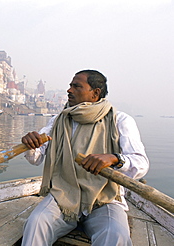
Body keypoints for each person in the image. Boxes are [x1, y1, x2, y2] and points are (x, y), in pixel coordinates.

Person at [21, 70, 149, 246]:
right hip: (63, 194)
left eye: (76, 86)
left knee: (115, 234)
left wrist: (114, 158)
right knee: (36, 224)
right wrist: (31, 145)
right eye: (70, 86)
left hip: (104, 199)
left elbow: (141, 163)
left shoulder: (120, 120)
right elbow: (36, 158)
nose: (69, 90)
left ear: (95, 93)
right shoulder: (59, 120)